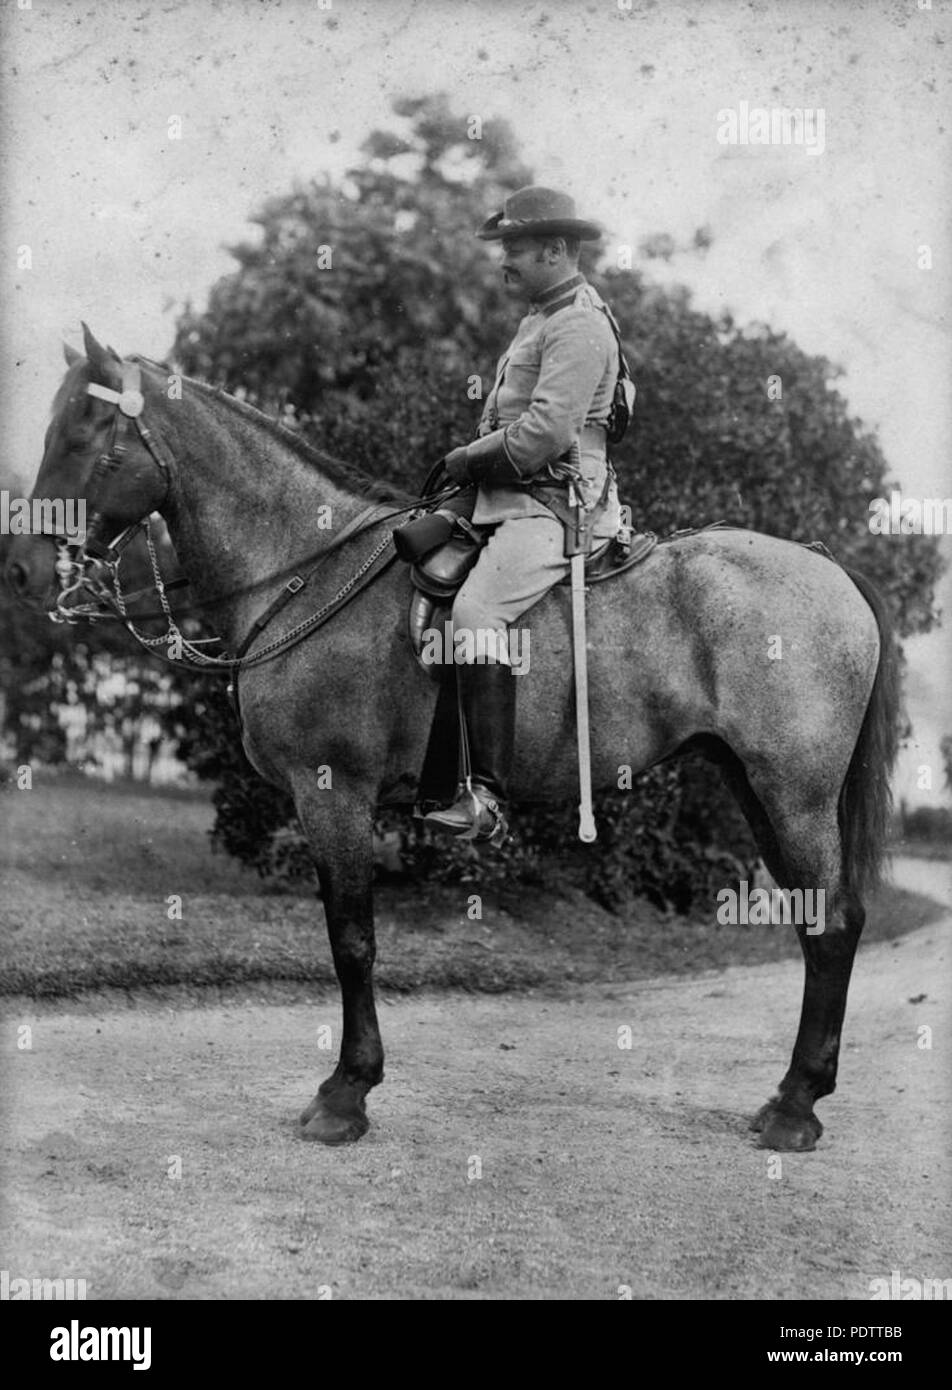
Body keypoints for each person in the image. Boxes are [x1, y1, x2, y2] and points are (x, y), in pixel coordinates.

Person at [425, 185, 623, 844]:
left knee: (477, 613)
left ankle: (486, 797)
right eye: (503, 246)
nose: (503, 260)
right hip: (514, 494)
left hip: (558, 504)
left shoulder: (578, 324)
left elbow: (542, 434)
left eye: (514, 247)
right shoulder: (541, 316)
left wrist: (466, 460)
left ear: (558, 250)